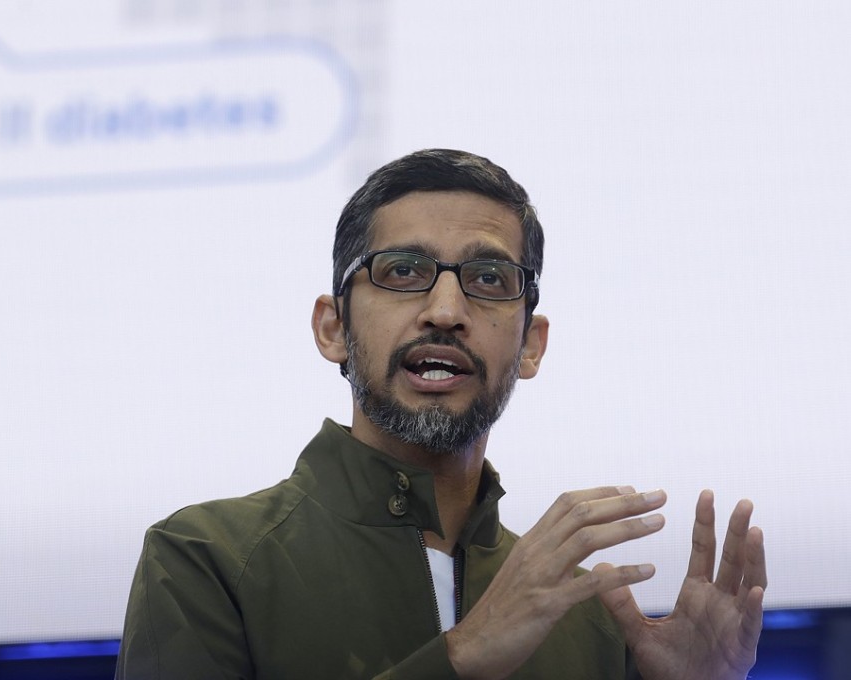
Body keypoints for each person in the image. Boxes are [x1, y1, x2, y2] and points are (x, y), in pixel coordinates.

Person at [115, 149, 767, 679]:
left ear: (531, 345)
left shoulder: (589, 615)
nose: (447, 310)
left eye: (489, 279)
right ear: (333, 328)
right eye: (403, 271)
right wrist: (462, 657)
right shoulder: (207, 559)